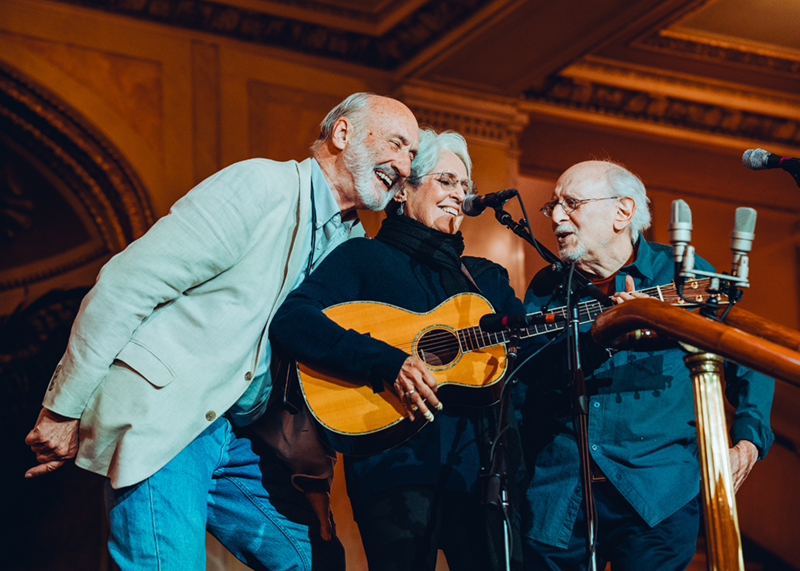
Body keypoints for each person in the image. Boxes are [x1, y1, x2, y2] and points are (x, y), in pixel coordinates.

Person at [23, 92, 419, 571]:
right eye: (397, 145)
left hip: (239, 438)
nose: (404, 165)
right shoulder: (259, 185)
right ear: (342, 134)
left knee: (317, 562)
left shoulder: (351, 243)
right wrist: (62, 409)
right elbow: (126, 286)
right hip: (168, 420)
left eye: (413, 155)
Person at [270, 128, 524, 571]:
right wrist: (388, 361)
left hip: (482, 475)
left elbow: (533, 349)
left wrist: (606, 321)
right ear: (404, 189)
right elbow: (293, 321)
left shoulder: (486, 280)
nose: (459, 195)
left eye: (465, 186)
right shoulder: (361, 259)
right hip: (392, 472)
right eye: (446, 181)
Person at [515, 159, 775, 571]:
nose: (557, 216)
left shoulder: (682, 275)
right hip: (562, 489)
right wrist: (604, 336)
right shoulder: (546, 287)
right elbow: (531, 377)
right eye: (553, 206)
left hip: (659, 490)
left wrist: (748, 440)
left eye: (572, 203)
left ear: (623, 212)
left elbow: (747, 352)